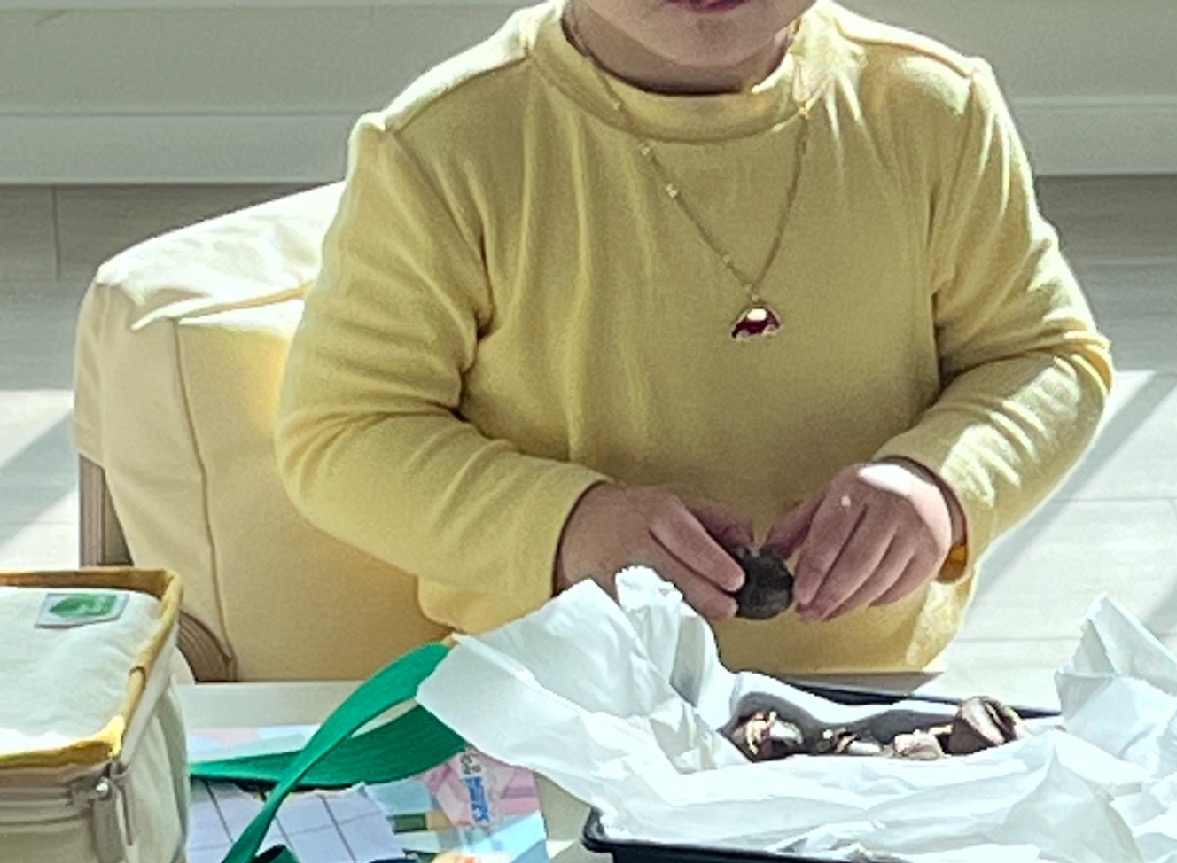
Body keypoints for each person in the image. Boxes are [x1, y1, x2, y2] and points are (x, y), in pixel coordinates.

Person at [276, 0, 1112, 676]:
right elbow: (342, 434)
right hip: (552, 696)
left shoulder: (932, 106)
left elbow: (1042, 356)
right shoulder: (441, 146)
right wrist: (567, 525)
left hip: (865, 696)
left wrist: (938, 482)